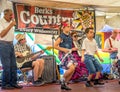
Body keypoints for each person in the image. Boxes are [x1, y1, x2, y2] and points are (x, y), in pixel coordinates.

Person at [0, 9, 23, 89]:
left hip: (10, 44)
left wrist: (12, 24)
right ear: (5, 15)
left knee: (13, 65)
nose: (11, 17)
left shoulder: (11, 22)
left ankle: (13, 83)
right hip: (3, 44)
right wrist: (10, 25)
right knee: (6, 66)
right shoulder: (1, 22)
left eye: (12, 15)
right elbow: (2, 34)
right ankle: (5, 84)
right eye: (10, 15)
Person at [54, 20, 78, 90]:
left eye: (69, 26)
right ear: (63, 28)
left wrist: (73, 49)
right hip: (63, 54)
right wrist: (63, 49)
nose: (69, 28)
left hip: (69, 54)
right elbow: (55, 46)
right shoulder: (61, 36)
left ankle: (65, 83)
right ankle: (62, 79)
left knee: (73, 69)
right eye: (67, 26)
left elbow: (69, 47)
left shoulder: (70, 37)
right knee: (72, 68)